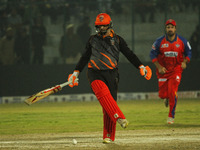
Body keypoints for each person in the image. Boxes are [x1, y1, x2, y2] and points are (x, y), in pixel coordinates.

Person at [67, 13, 152, 143]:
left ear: (109, 25)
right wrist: (75, 73)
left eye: (104, 26)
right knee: (103, 93)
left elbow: (129, 54)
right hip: (94, 72)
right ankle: (120, 117)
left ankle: (108, 136)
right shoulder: (92, 40)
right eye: (99, 26)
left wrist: (141, 66)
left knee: (109, 104)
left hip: (112, 74)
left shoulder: (118, 40)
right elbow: (84, 57)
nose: (101, 28)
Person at [150, 19, 192, 124]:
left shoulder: (182, 41)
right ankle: (166, 97)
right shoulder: (159, 41)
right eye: (168, 27)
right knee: (163, 94)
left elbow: (189, 52)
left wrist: (185, 61)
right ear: (166, 29)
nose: (170, 29)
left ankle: (171, 116)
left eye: (172, 27)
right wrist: (159, 67)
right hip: (163, 71)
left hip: (176, 70)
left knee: (172, 92)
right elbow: (152, 54)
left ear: (175, 29)